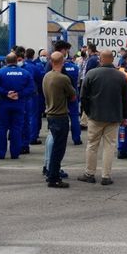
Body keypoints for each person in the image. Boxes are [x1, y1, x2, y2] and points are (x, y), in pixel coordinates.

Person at [78, 51, 127, 185]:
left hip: (95, 115)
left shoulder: (91, 74)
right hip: (113, 117)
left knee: (92, 145)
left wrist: (88, 112)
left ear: (100, 59)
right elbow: (125, 99)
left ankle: (89, 173)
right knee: (110, 146)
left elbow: (83, 96)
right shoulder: (121, 76)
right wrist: (124, 116)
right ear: (112, 60)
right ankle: (106, 176)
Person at [42, 52, 76, 188]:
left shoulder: (46, 76)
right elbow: (73, 96)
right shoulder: (63, 79)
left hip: (50, 114)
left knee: (54, 145)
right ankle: (54, 177)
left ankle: (50, 172)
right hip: (60, 115)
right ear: (63, 62)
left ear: (51, 62)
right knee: (58, 149)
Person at [0, 52, 34, 159]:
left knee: (2, 128)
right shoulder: (25, 73)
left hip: (3, 103)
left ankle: (0, 153)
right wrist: (18, 94)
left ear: (6, 61)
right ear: (17, 61)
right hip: (19, 103)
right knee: (17, 129)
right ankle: (15, 153)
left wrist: (6, 93)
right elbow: (31, 88)